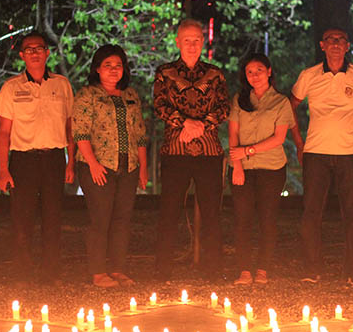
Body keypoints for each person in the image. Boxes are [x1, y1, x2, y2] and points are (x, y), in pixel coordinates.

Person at [290, 27, 353, 285]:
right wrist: (299, 143)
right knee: (311, 212)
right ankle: (311, 269)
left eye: (341, 40)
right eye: (331, 40)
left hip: (351, 154)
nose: (336, 44)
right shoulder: (309, 76)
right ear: (322, 45)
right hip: (316, 152)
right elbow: (288, 107)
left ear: (348, 46)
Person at [0, 32, 75, 284]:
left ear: (47, 52)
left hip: (53, 160)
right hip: (23, 161)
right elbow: (4, 132)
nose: (35, 53)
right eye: (29, 50)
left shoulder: (61, 84)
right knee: (22, 219)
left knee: (53, 217)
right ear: (22, 56)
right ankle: (23, 272)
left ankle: (51, 272)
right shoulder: (11, 88)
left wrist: (70, 162)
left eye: (39, 48)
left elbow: (70, 126)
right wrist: (3, 169)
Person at [153, 18, 230, 281]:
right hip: (176, 152)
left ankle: (213, 269)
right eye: (187, 40)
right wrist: (185, 122)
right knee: (169, 211)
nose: (192, 44)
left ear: (203, 41)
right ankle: (162, 269)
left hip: (208, 153)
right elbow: (160, 106)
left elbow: (223, 108)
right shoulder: (164, 73)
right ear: (177, 42)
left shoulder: (215, 74)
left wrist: (200, 125)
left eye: (197, 39)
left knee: (211, 213)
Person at [73, 45, 148, 288]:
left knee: (122, 219)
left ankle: (117, 269)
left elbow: (139, 134)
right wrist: (93, 164)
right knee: (100, 219)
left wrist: (143, 168)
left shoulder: (130, 95)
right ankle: (98, 272)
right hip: (98, 165)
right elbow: (80, 132)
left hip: (128, 167)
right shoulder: (88, 95)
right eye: (108, 65)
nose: (113, 70)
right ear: (97, 68)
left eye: (118, 66)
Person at [228, 53, 294, 285]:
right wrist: (237, 165)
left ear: (269, 71)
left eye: (258, 70)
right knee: (242, 219)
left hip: (271, 168)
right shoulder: (239, 99)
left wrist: (248, 151)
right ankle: (244, 270)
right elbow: (233, 133)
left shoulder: (280, 102)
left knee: (267, 219)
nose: (254, 75)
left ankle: (263, 269)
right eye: (249, 72)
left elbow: (279, 138)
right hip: (242, 168)